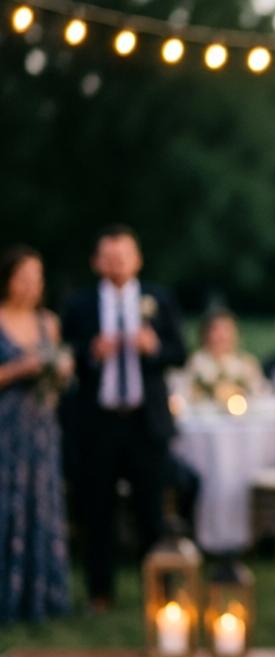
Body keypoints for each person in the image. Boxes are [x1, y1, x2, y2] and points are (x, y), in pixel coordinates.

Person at [61, 225, 187, 611]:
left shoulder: (158, 299)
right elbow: (66, 358)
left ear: (137, 259)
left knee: (151, 509)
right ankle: (101, 593)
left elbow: (180, 352)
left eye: (124, 256)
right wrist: (90, 353)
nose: (117, 263)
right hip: (97, 423)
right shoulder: (80, 304)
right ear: (98, 262)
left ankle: (160, 593)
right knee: (96, 509)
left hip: (144, 422)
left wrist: (155, 347)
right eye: (109, 257)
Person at [0, 246, 72, 623]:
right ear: (8, 279)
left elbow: (59, 380)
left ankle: (42, 596)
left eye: (37, 277)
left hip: (41, 428)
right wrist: (18, 368)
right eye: (23, 276)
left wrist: (60, 370)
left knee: (40, 505)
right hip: (5, 428)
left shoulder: (49, 322)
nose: (31, 285)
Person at [184, 309, 266, 402]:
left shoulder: (247, 363)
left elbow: (259, 393)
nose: (221, 335)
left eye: (226, 329)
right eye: (216, 329)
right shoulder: (196, 362)